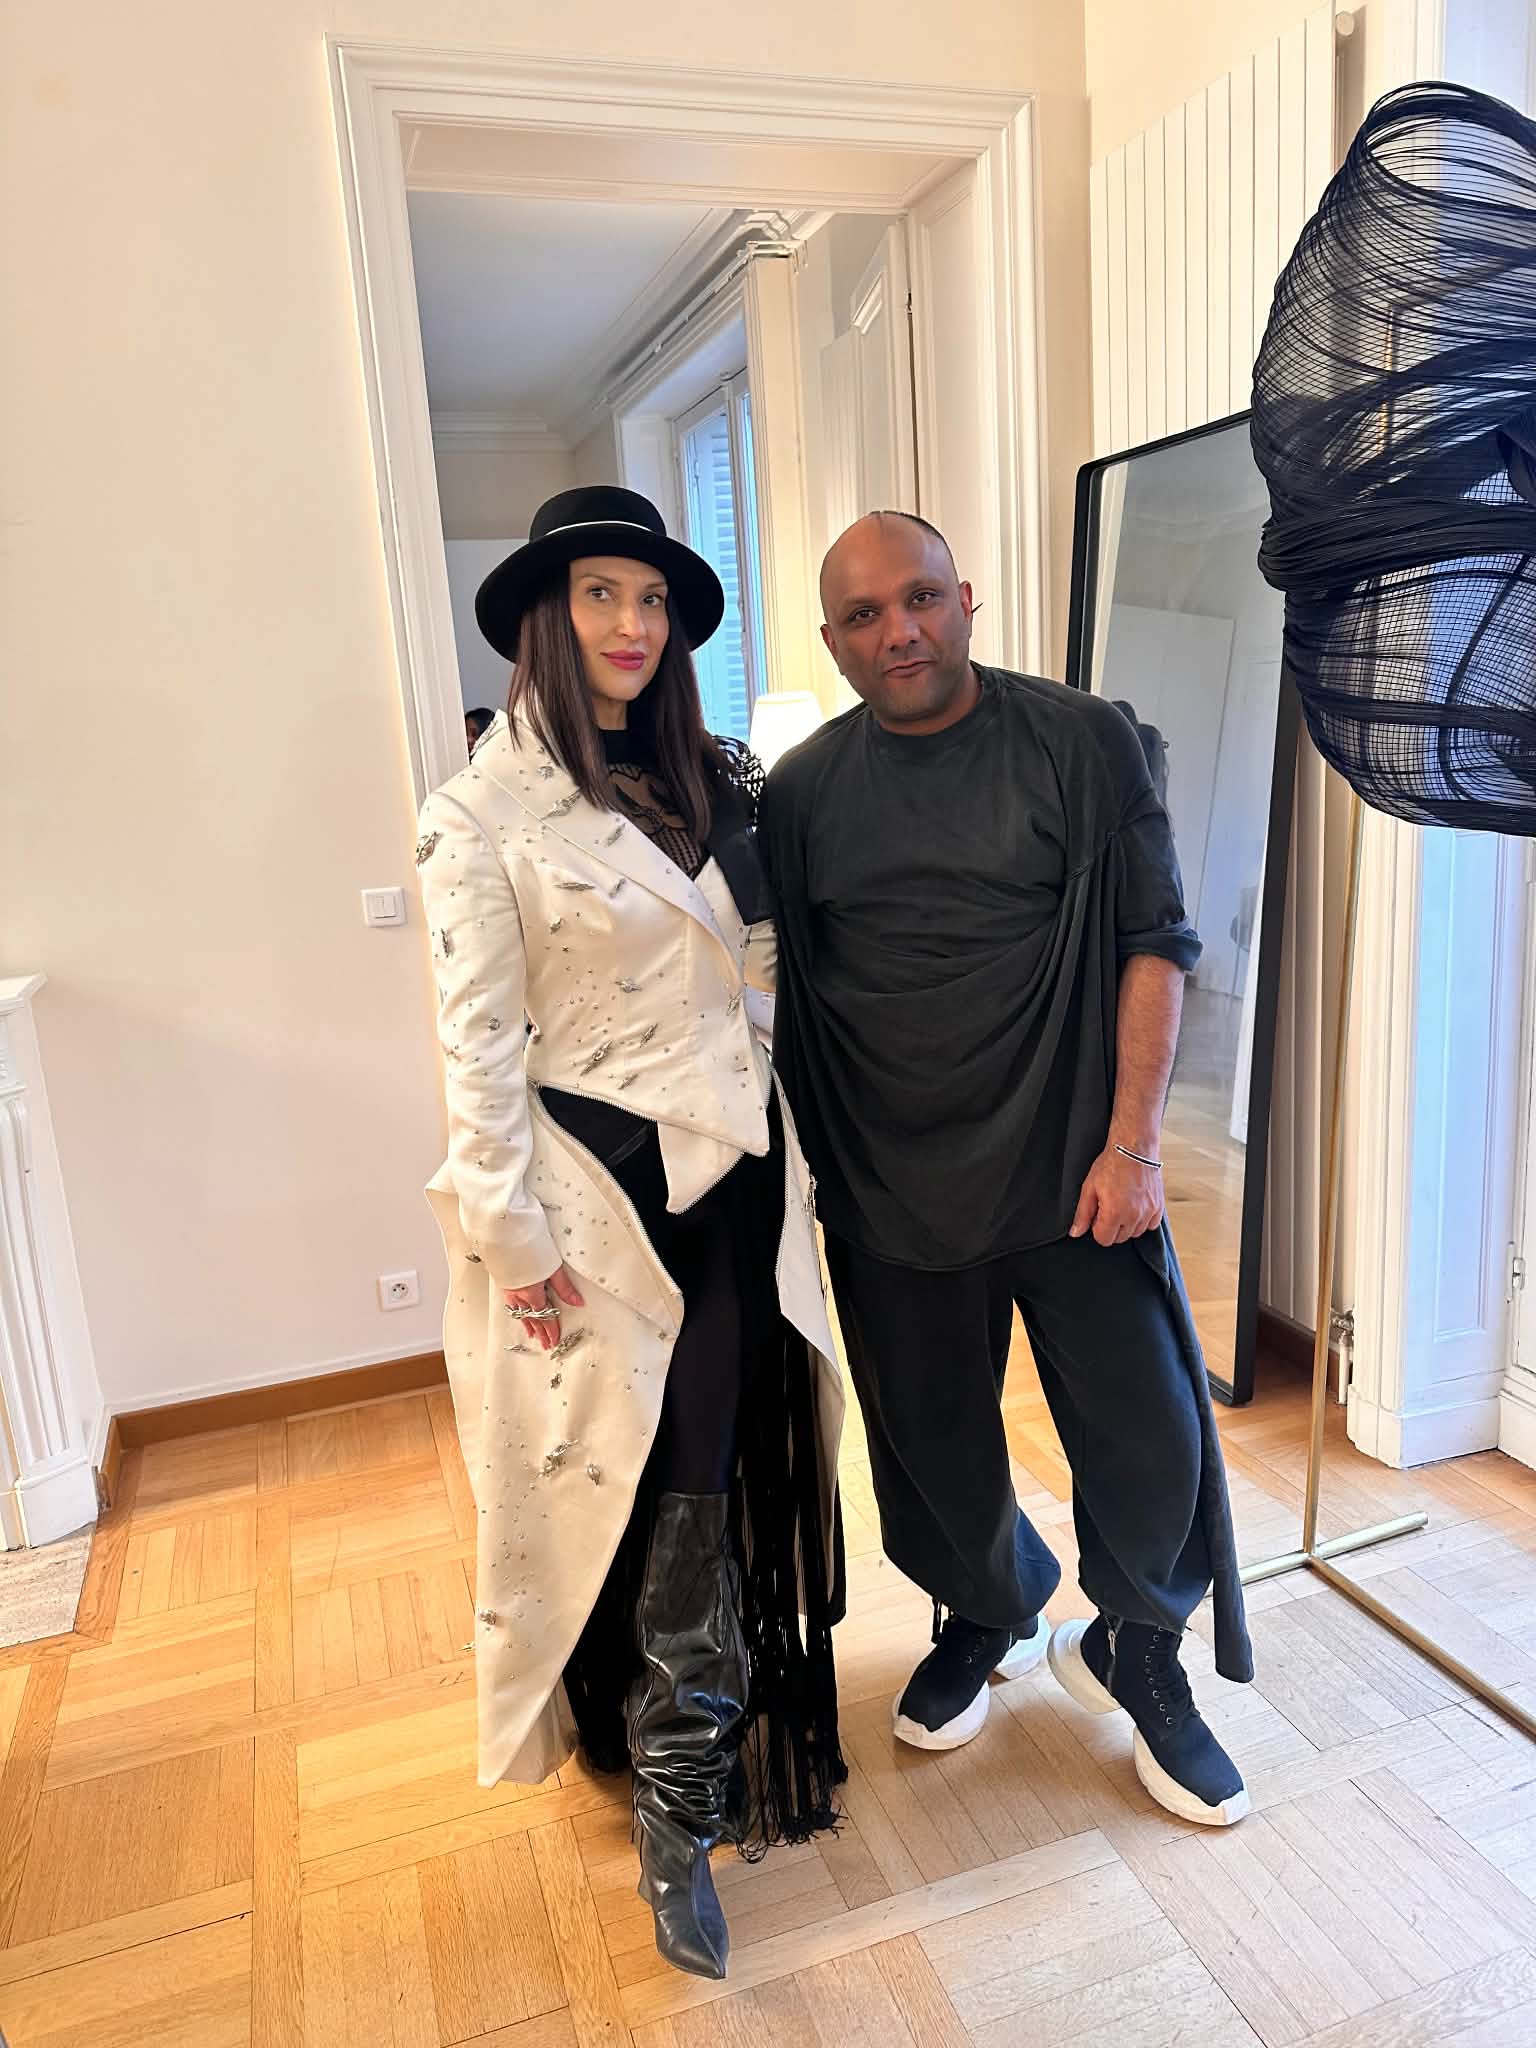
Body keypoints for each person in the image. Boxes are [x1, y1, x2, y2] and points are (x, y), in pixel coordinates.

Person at [756, 510, 1253, 1829]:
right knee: (928, 1442)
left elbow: (1155, 941)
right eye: (863, 615)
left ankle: (1139, 1645)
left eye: (920, 598)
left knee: (1145, 1426)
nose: (899, 632)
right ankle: (991, 1604)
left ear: (965, 597)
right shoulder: (802, 794)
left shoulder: (1081, 743)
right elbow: (768, 982)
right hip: (890, 1179)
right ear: (831, 641)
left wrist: (1134, 1146)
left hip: (1075, 1163)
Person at [416, 486, 845, 1980]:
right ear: (549, 616)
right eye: (603, 594)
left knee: (704, 1472)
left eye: (652, 600)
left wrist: (762, 1067)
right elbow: (476, 1051)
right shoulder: (479, 815)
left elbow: (764, 953)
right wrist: (513, 1241)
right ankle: (665, 1794)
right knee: (616, 1476)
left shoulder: (708, 779)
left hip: (733, 1186)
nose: (633, 624)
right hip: (600, 1201)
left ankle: (684, 1797)